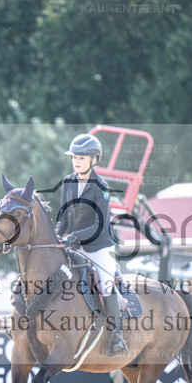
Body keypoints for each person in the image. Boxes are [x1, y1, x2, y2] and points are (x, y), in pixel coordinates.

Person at [54, 133, 128, 356]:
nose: (77, 162)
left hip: (99, 247)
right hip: (74, 244)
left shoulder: (101, 187)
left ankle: (117, 336)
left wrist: (73, 237)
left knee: (105, 285)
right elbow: (64, 217)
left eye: (82, 158)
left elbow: (99, 224)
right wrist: (56, 235)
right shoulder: (68, 182)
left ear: (94, 160)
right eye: (74, 157)